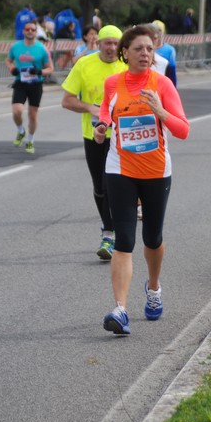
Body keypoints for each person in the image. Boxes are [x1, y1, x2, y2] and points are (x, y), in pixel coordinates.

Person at [93, 25, 189, 335]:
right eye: (139, 49)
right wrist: (101, 127)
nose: (146, 53)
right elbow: (108, 114)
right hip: (120, 168)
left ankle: (154, 287)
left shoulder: (162, 84)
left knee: (152, 237)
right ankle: (121, 310)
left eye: (150, 49)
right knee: (124, 239)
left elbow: (183, 129)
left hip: (156, 170)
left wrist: (160, 111)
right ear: (124, 52)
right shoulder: (112, 83)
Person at [61, 25, 127, 260]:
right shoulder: (84, 64)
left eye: (115, 44)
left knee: (112, 185)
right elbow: (67, 101)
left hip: (123, 137)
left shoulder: (127, 66)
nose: (111, 48)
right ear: (97, 43)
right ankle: (111, 230)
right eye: (107, 43)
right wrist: (89, 107)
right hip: (94, 136)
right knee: (100, 187)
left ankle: (111, 234)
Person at [6, 21, 54, 155]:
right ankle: (21, 131)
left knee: (32, 115)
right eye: (28, 29)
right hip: (20, 83)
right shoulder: (16, 47)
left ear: (36, 32)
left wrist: (40, 72)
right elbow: (8, 61)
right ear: (23, 31)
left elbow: (50, 68)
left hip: (35, 84)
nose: (30, 32)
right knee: (17, 111)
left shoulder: (42, 49)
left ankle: (30, 140)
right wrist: (12, 69)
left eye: (33, 30)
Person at [152, 20, 177, 86]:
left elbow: (172, 71)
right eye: (154, 30)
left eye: (159, 31)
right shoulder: (147, 48)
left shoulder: (170, 50)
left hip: (162, 84)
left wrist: (173, 88)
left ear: (163, 33)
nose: (156, 33)